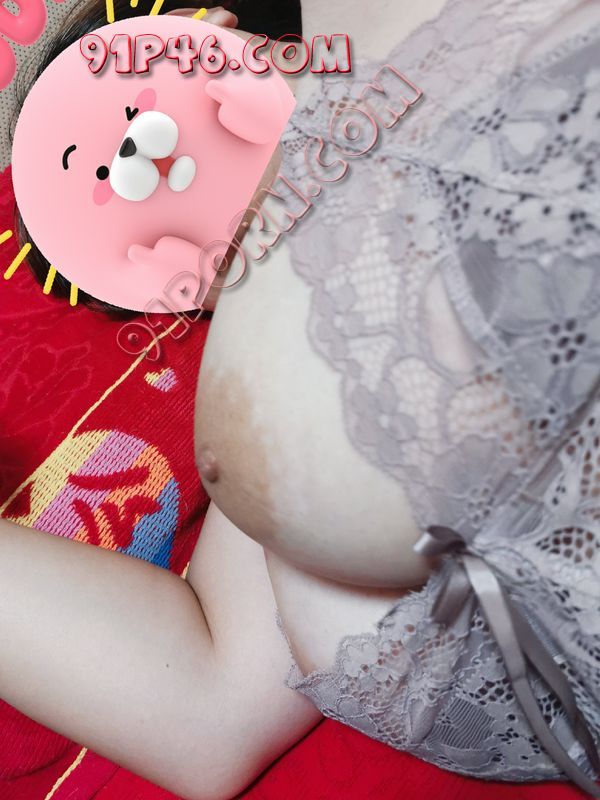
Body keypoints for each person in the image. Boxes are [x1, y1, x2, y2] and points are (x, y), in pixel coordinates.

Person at [3, 0, 600, 798]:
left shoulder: (410, 42)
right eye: (92, 198)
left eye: (120, 108)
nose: (123, 171)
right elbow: (207, 709)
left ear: (205, 24)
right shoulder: (270, 399)